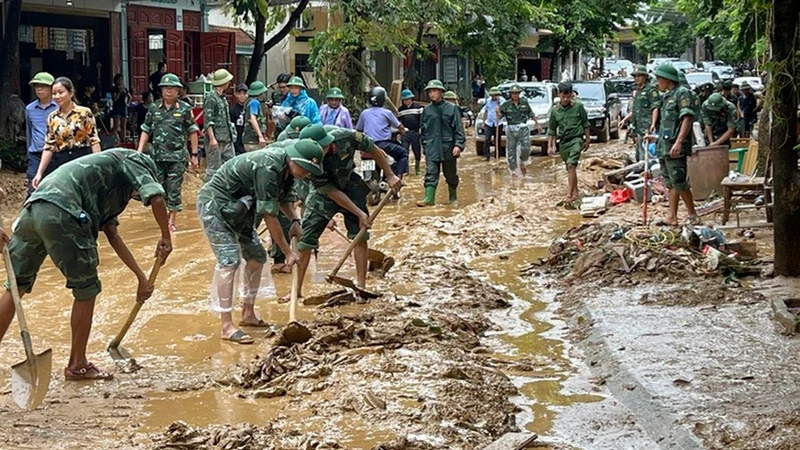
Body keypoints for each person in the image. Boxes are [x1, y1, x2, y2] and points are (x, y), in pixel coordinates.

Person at [0, 149, 173, 380]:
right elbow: (156, 198)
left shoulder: (108, 184)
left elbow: (113, 235)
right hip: (63, 209)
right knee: (86, 289)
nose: (134, 197)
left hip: (34, 208)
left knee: (15, 285)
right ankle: (77, 365)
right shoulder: (135, 159)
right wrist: (166, 236)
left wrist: (141, 279)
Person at [196, 139, 324, 344]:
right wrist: (288, 252)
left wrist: (295, 221)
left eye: (310, 172)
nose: (306, 174)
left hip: (242, 208)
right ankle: (226, 326)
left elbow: (283, 201)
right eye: (304, 169)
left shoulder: (289, 171)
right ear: (294, 159)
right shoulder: (269, 165)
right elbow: (269, 216)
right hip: (216, 205)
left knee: (256, 256)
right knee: (229, 261)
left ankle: (248, 314)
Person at [294, 126, 401, 299]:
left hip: (350, 184)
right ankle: (296, 291)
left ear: (328, 143)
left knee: (360, 235)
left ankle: (361, 285)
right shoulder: (308, 161)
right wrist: (359, 213)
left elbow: (373, 149)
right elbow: (331, 192)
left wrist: (389, 175)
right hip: (324, 194)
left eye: (320, 149)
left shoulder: (348, 137)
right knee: (306, 240)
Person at [137, 73, 200, 232]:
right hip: (157, 157)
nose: (169, 91)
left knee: (174, 189)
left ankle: (171, 221)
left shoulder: (185, 109)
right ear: (161, 91)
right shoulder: (153, 108)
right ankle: (162, 218)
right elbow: (146, 129)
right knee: (158, 189)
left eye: (172, 88)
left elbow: (192, 131)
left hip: (177, 157)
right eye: (165, 88)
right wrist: (139, 151)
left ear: (178, 91)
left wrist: (194, 154)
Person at [650, 64, 698, 226]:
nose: (657, 83)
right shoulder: (667, 96)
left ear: (666, 79)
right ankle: (672, 216)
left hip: (675, 147)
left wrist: (678, 143)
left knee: (679, 181)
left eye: (659, 79)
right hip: (665, 146)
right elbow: (667, 124)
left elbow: (687, 118)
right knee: (670, 182)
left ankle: (692, 215)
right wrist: (655, 137)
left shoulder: (682, 94)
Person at [32, 77, 101, 190]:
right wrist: (39, 173)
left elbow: (94, 141)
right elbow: (49, 146)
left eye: (61, 92)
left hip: (82, 158)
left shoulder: (84, 113)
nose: (57, 96)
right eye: (54, 93)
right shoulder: (52, 117)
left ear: (71, 92)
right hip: (61, 161)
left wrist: (98, 165)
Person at [417, 79, 465, 207]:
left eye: (434, 91)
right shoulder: (427, 110)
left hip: (448, 147)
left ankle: (453, 198)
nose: (431, 94)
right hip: (432, 147)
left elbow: (459, 129)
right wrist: (425, 146)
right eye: (430, 92)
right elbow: (424, 130)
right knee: (431, 173)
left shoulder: (452, 108)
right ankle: (429, 198)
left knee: (450, 175)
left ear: (441, 92)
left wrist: (458, 145)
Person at [547, 83, 590, 202]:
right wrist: (550, 146)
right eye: (563, 97)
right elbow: (551, 130)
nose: (565, 99)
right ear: (559, 95)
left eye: (568, 97)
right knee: (570, 167)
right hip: (563, 143)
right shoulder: (555, 111)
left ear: (572, 95)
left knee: (571, 164)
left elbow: (585, 123)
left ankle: (569, 195)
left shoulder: (578, 106)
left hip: (577, 139)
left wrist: (587, 139)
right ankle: (576, 193)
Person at [355, 86, 409, 180]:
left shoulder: (364, 113)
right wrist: (403, 131)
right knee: (403, 153)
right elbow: (399, 126)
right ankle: (398, 178)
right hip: (384, 145)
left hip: (368, 146)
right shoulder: (387, 112)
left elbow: (359, 128)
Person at [24, 72, 58, 196]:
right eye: (36, 86)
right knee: (33, 185)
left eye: (42, 86)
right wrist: (29, 152)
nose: (39, 89)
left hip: (56, 153)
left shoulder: (59, 107)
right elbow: (29, 131)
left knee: (56, 185)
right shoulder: (29, 109)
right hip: (36, 153)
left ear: (51, 88)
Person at [498, 84, 542, 177]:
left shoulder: (524, 102)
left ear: (519, 94)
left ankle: (522, 160)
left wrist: (537, 124)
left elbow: (531, 113)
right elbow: (499, 116)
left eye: (516, 93)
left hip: (523, 127)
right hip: (511, 127)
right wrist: (497, 111)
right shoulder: (506, 104)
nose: (515, 95)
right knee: (511, 150)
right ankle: (513, 170)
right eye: (513, 93)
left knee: (526, 147)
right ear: (511, 94)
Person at [620, 65, 660, 161]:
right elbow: (635, 110)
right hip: (638, 128)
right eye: (635, 76)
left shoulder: (651, 90)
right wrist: (624, 120)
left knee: (647, 155)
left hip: (647, 128)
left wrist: (653, 124)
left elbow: (655, 107)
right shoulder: (638, 91)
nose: (636, 78)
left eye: (639, 76)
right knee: (639, 155)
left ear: (645, 77)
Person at [202, 69, 237, 182]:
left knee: (230, 166)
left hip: (226, 137)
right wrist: (212, 138)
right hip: (216, 139)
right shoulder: (211, 97)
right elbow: (208, 120)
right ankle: (210, 192)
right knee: (214, 169)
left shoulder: (221, 97)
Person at [398, 89, 424, 174]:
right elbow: (398, 122)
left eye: (407, 99)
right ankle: (406, 170)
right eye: (404, 100)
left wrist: (421, 129)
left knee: (416, 150)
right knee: (404, 151)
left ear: (411, 99)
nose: (406, 101)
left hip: (416, 132)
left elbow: (422, 119)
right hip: (405, 133)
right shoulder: (400, 110)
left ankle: (417, 167)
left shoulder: (418, 107)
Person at [242, 81, 269, 152]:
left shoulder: (248, 102)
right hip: (253, 140)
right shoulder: (254, 102)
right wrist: (260, 136)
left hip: (248, 139)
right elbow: (252, 119)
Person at [110, 74, 132, 142]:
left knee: (123, 125)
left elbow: (130, 97)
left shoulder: (124, 89)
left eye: (121, 79)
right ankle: (113, 139)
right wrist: (119, 92)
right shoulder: (114, 89)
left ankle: (123, 139)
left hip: (123, 107)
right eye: (118, 80)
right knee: (116, 125)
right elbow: (115, 99)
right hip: (117, 108)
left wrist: (128, 103)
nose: (119, 81)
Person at [270, 74, 291, 139]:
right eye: (280, 87)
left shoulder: (294, 97)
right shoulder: (275, 95)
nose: (282, 90)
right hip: (279, 129)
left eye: (284, 87)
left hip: (290, 128)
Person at [230, 84, 249, 156]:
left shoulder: (249, 107)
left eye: (244, 93)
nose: (242, 96)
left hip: (248, 138)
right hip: (238, 138)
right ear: (235, 94)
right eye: (239, 93)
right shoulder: (233, 110)